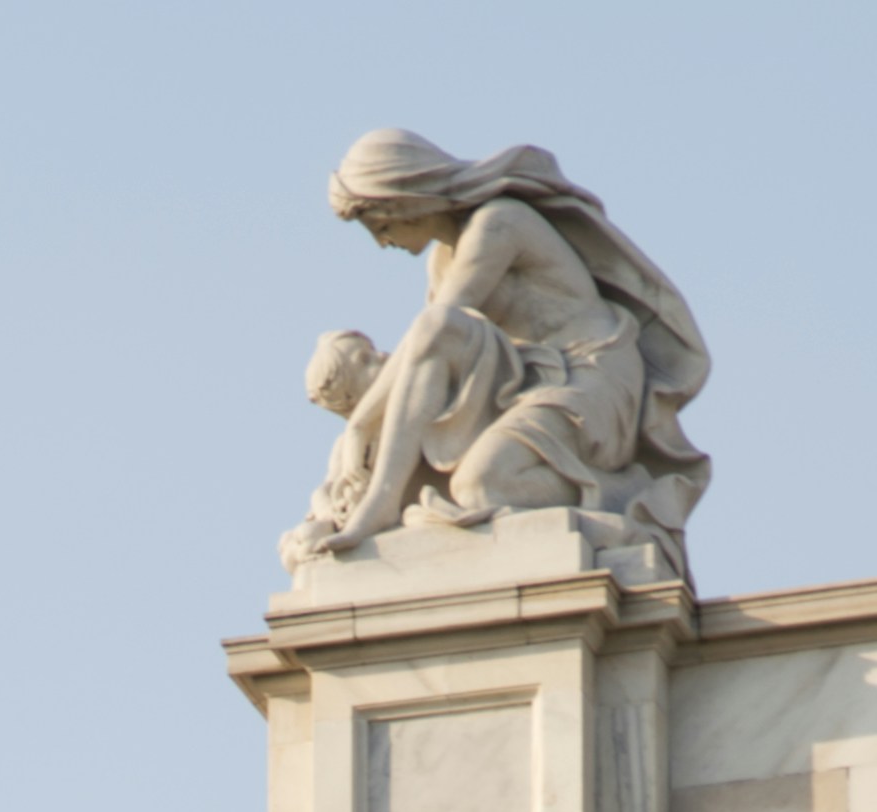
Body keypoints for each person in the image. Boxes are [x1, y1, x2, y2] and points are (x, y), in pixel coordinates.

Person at [286, 135, 708, 585]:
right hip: (522, 386)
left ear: (403, 201)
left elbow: (434, 333)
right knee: (474, 486)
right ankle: (374, 504)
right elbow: (426, 367)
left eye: (377, 224)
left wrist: (359, 426)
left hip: (590, 380)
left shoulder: (499, 225)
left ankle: (619, 495)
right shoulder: (442, 262)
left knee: (483, 483)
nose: (381, 241)